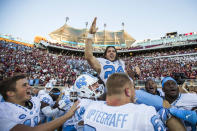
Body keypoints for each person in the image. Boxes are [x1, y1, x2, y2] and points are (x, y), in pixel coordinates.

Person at [83, 73, 166, 131]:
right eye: (133, 88)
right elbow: (163, 104)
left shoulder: (92, 107)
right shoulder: (145, 113)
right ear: (128, 91)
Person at [0, 74, 79, 131]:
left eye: (28, 84)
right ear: (10, 93)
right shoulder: (3, 112)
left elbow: (38, 122)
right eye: (24, 85)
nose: (29, 86)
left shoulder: (34, 101)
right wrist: (67, 115)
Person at [85, 17, 140, 85]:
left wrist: (135, 75)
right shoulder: (101, 63)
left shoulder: (121, 63)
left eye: (113, 51)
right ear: (105, 55)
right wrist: (90, 35)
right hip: (114, 93)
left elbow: (128, 79)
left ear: (116, 54)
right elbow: (88, 56)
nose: (111, 52)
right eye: (109, 51)